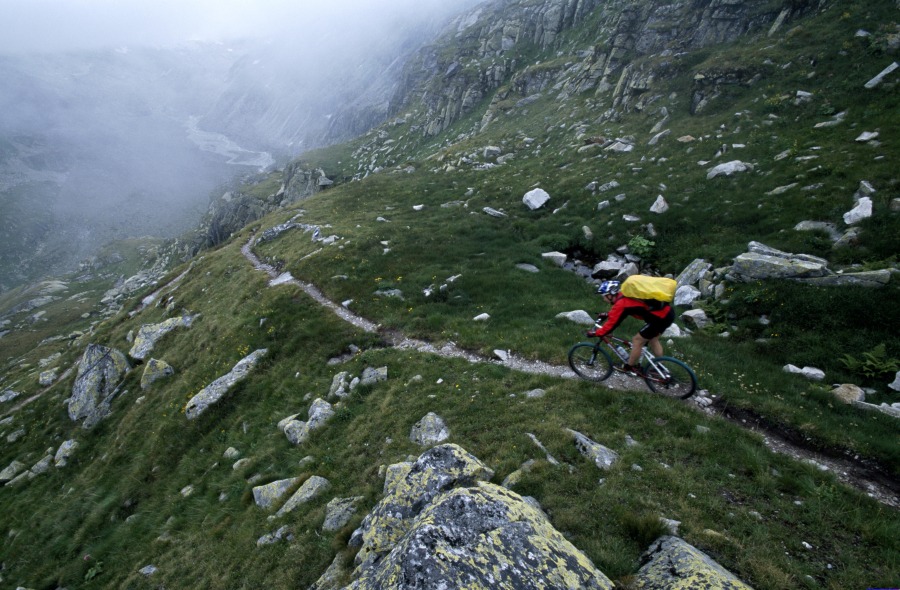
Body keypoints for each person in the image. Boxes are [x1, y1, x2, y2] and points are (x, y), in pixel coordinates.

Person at [587, 280, 675, 376]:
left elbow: (612, 324)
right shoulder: (623, 294)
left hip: (659, 318)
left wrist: (596, 333)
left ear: (610, 295)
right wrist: (608, 314)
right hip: (667, 313)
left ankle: (628, 367)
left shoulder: (621, 304)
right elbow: (621, 311)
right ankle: (661, 368)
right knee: (653, 339)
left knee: (637, 340)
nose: (603, 299)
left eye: (604, 296)